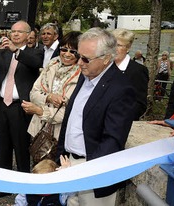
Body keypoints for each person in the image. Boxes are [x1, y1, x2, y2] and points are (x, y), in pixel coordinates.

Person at [56, 27, 136, 206]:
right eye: (79, 55)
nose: (79, 63)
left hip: (93, 175)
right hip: (69, 164)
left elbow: (113, 140)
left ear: (107, 58)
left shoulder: (121, 89)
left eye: (85, 59)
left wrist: (86, 171)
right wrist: (61, 156)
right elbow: (71, 121)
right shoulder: (86, 76)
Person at [0, 21, 43, 199]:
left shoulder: (34, 52)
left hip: (20, 106)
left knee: (22, 147)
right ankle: (4, 185)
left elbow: (35, 63)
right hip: (2, 105)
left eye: (19, 32)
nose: (15, 34)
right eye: (13, 31)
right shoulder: (3, 52)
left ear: (28, 34)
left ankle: (25, 185)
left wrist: (16, 51)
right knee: (3, 147)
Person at [22, 31, 82, 157]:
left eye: (73, 51)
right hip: (38, 129)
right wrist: (49, 97)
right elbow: (33, 93)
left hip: (61, 134)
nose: (67, 54)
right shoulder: (52, 64)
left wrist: (39, 111)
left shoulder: (82, 74)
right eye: (64, 49)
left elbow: (68, 112)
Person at [111, 28, 149, 120]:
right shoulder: (103, 66)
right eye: (112, 45)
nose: (114, 49)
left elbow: (140, 105)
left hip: (121, 125)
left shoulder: (138, 71)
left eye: (119, 45)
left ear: (128, 48)